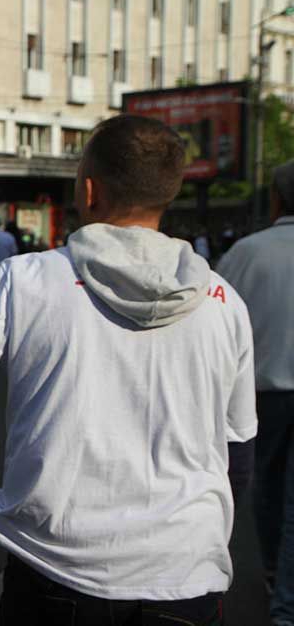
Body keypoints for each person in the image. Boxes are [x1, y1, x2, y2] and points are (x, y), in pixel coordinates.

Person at [0, 114, 257, 624]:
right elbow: (238, 452)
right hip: (186, 575)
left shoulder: (25, 281)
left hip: (54, 569)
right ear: (171, 192)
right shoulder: (226, 304)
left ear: (88, 191)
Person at [217, 162, 294, 622]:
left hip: (262, 392)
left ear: (276, 200)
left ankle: (271, 571)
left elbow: (220, 317)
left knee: (266, 486)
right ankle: (286, 601)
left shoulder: (246, 252)